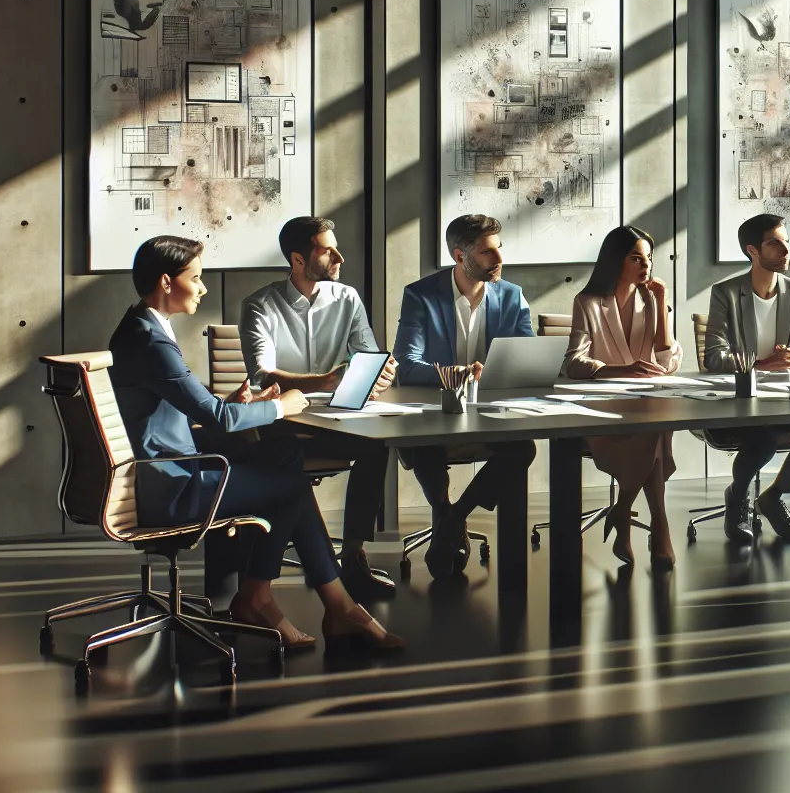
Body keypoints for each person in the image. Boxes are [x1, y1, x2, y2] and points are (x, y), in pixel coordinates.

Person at [107, 236, 403, 652]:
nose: (203, 288)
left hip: (163, 474)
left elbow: (177, 412)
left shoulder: (140, 327)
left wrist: (233, 404)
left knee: (283, 456)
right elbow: (217, 419)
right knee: (292, 483)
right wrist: (281, 406)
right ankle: (273, 598)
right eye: (196, 278)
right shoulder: (150, 341)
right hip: (172, 487)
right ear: (167, 282)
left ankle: (317, 603)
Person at [240, 216, 399, 598]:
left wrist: (379, 373)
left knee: (376, 447)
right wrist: (326, 380)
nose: (339, 258)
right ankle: (314, 565)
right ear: (297, 260)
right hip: (282, 422)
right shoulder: (260, 305)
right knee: (287, 456)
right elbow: (262, 376)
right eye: (328, 251)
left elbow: (367, 356)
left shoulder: (347, 298)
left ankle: (353, 557)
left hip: (336, 417)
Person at [392, 214, 538, 579]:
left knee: (523, 448)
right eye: (487, 252)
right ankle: (445, 511)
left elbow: (527, 357)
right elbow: (406, 365)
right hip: (435, 411)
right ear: (460, 256)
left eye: (499, 248)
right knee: (425, 443)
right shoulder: (421, 296)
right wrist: (457, 374)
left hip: (489, 412)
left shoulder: (511, 296)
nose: (499, 259)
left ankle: (454, 517)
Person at [701, 214, 790, 544]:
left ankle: (774, 496)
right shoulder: (726, 293)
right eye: (775, 243)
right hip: (737, 401)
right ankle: (738, 495)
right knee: (763, 438)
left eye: (786, 241)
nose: (785, 250)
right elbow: (714, 357)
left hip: (781, 398)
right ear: (753, 251)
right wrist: (762, 365)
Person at [562, 225, 682, 568]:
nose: (646, 265)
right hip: (603, 408)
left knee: (655, 424)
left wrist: (661, 304)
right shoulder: (588, 302)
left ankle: (624, 510)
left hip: (646, 403)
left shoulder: (652, 299)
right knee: (656, 430)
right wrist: (621, 370)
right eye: (636, 258)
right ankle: (658, 524)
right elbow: (573, 362)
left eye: (649, 258)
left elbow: (667, 362)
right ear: (616, 260)